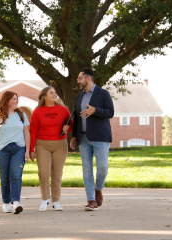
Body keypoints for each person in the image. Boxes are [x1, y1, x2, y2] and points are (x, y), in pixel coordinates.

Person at [70, 67, 114, 211]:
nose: (78, 81)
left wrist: (95, 110)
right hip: (83, 138)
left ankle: (98, 189)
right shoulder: (79, 97)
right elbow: (77, 117)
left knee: (103, 167)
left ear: (88, 78)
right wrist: (74, 137)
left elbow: (110, 112)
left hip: (100, 137)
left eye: (80, 78)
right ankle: (91, 200)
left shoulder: (103, 93)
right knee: (87, 170)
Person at [30, 86, 73, 212]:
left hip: (60, 144)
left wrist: (68, 129)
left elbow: (70, 125)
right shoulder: (37, 111)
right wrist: (31, 149)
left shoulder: (63, 110)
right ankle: (45, 199)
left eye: (55, 92)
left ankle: (56, 201)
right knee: (43, 173)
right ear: (45, 96)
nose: (54, 94)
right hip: (42, 144)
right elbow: (32, 131)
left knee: (57, 174)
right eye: (51, 93)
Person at [0, 91, 30, 214]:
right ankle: (6, 203)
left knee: (16, 175)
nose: (17, 101)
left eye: (17, 99)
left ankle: (16, 202)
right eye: (14, 99)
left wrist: (27, 150)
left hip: (19, 148)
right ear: (6, 101)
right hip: (2, 150)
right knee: (5, 178)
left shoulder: (21, 115)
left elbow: (27, 133)